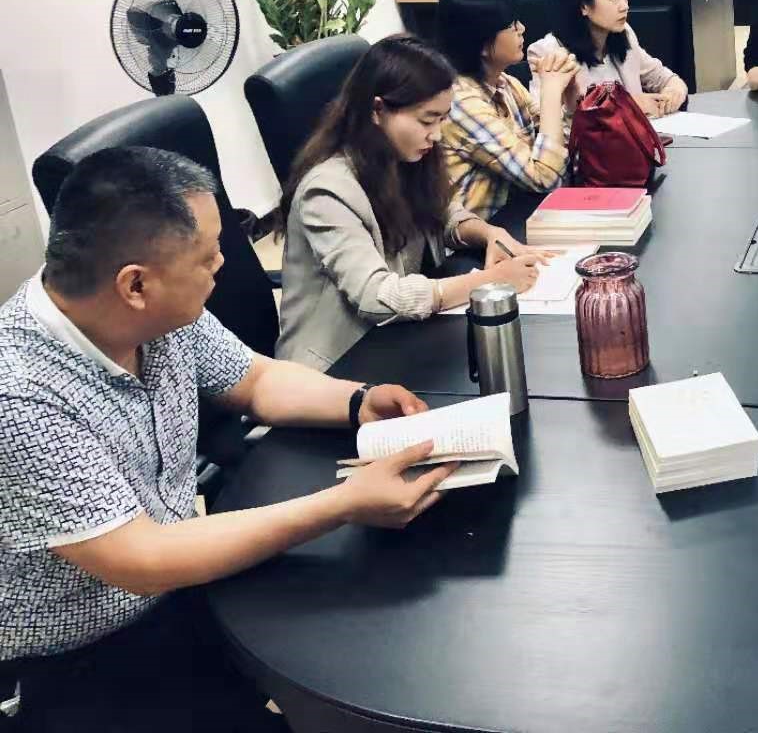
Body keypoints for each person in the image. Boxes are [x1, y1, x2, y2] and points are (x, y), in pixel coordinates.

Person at [0, 146, 461, 732]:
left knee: (386, 639)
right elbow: (143, 559)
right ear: (135, 284)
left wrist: (357, 401)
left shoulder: (157, 315)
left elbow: (256, 380)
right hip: (81, 655)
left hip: (182, 584)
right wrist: (345, 503)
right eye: (207, 256)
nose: (223, 263)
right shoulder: (20, 394)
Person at [277, 34, 547, 370]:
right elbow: (377, 298)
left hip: (395, 343)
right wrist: (489, 282)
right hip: (334, 366)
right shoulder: (327, 191)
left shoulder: (402, 155)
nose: (436, 134)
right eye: (427, 120)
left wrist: (487, 233)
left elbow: (443, 213)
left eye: (442, 119)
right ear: (378, 110)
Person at [437, 0, 579, 218]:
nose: (522, 28)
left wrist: (571, 102)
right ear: (482, 42)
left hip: (522, 213)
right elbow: (545, 178)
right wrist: (551, 93)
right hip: (483, 233)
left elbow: (564, 155)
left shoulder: (505, 83)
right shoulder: (460, 102)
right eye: (512, 24)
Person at [526, 0, 688, 117]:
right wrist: (630, 105)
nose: (624, 6)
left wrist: (673, 92)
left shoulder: (624, 34)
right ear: (584, 6)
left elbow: (664, 78)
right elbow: (542, 121)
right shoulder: (549, 53)